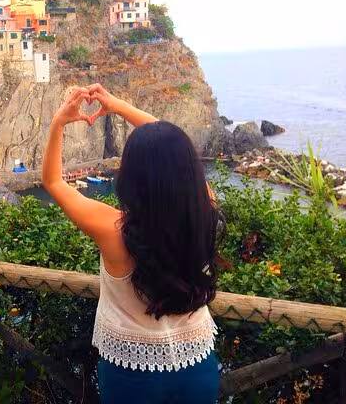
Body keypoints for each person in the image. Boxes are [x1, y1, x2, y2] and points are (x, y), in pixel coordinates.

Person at [42, 84, 221, 404]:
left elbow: (54, 181)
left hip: (132, 374)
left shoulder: (114, 231)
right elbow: (178, 152)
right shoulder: (205, 209)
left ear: (131, 177)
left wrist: (58, 123)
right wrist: (121, 106)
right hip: (197, 366)